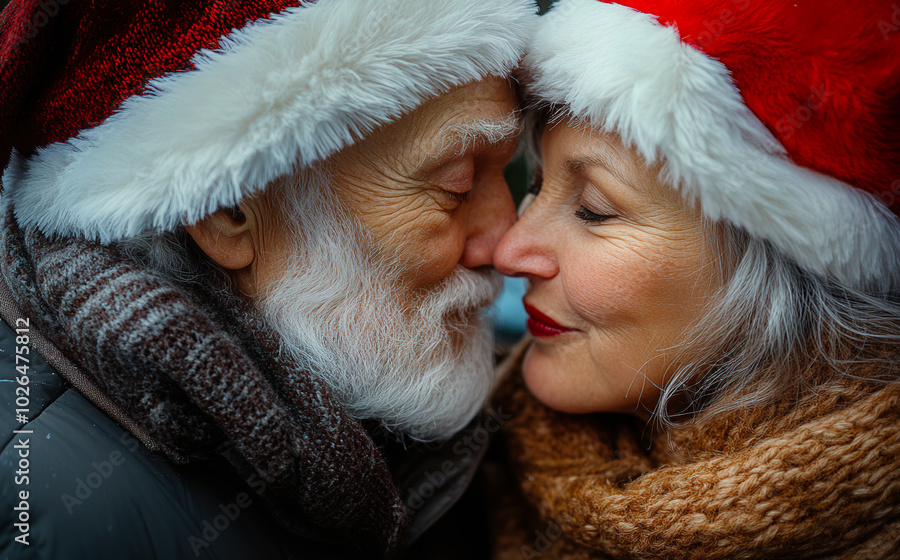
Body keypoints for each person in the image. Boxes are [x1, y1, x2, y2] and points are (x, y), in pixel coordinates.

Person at [0, 0, 536, 558]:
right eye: (458, 185)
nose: (509, 242)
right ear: (227, 212)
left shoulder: (444, 428)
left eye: (515, 173)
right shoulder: (51, 513)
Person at [489, 0, 900, 557]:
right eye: (536, 186)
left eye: (592, 209)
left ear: (783, 277)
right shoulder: (478, 472)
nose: (509, 249)